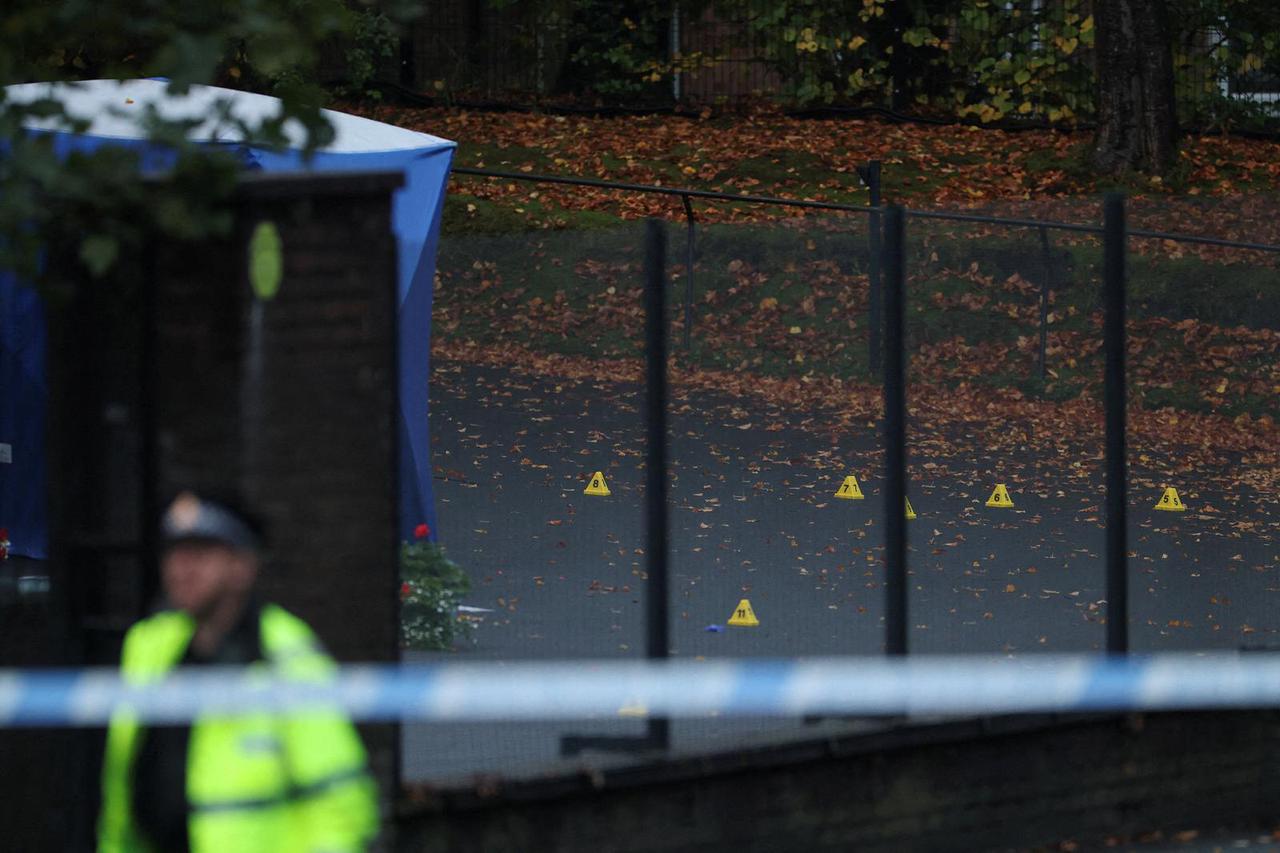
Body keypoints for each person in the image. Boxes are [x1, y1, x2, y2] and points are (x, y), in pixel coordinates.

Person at [98, 490, 378, 852]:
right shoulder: (147, 646)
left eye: (200, 554)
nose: (181, 568)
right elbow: (122, 796)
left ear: (241, 567)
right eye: (174, 552)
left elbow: (342, 808)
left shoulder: (285, 654)